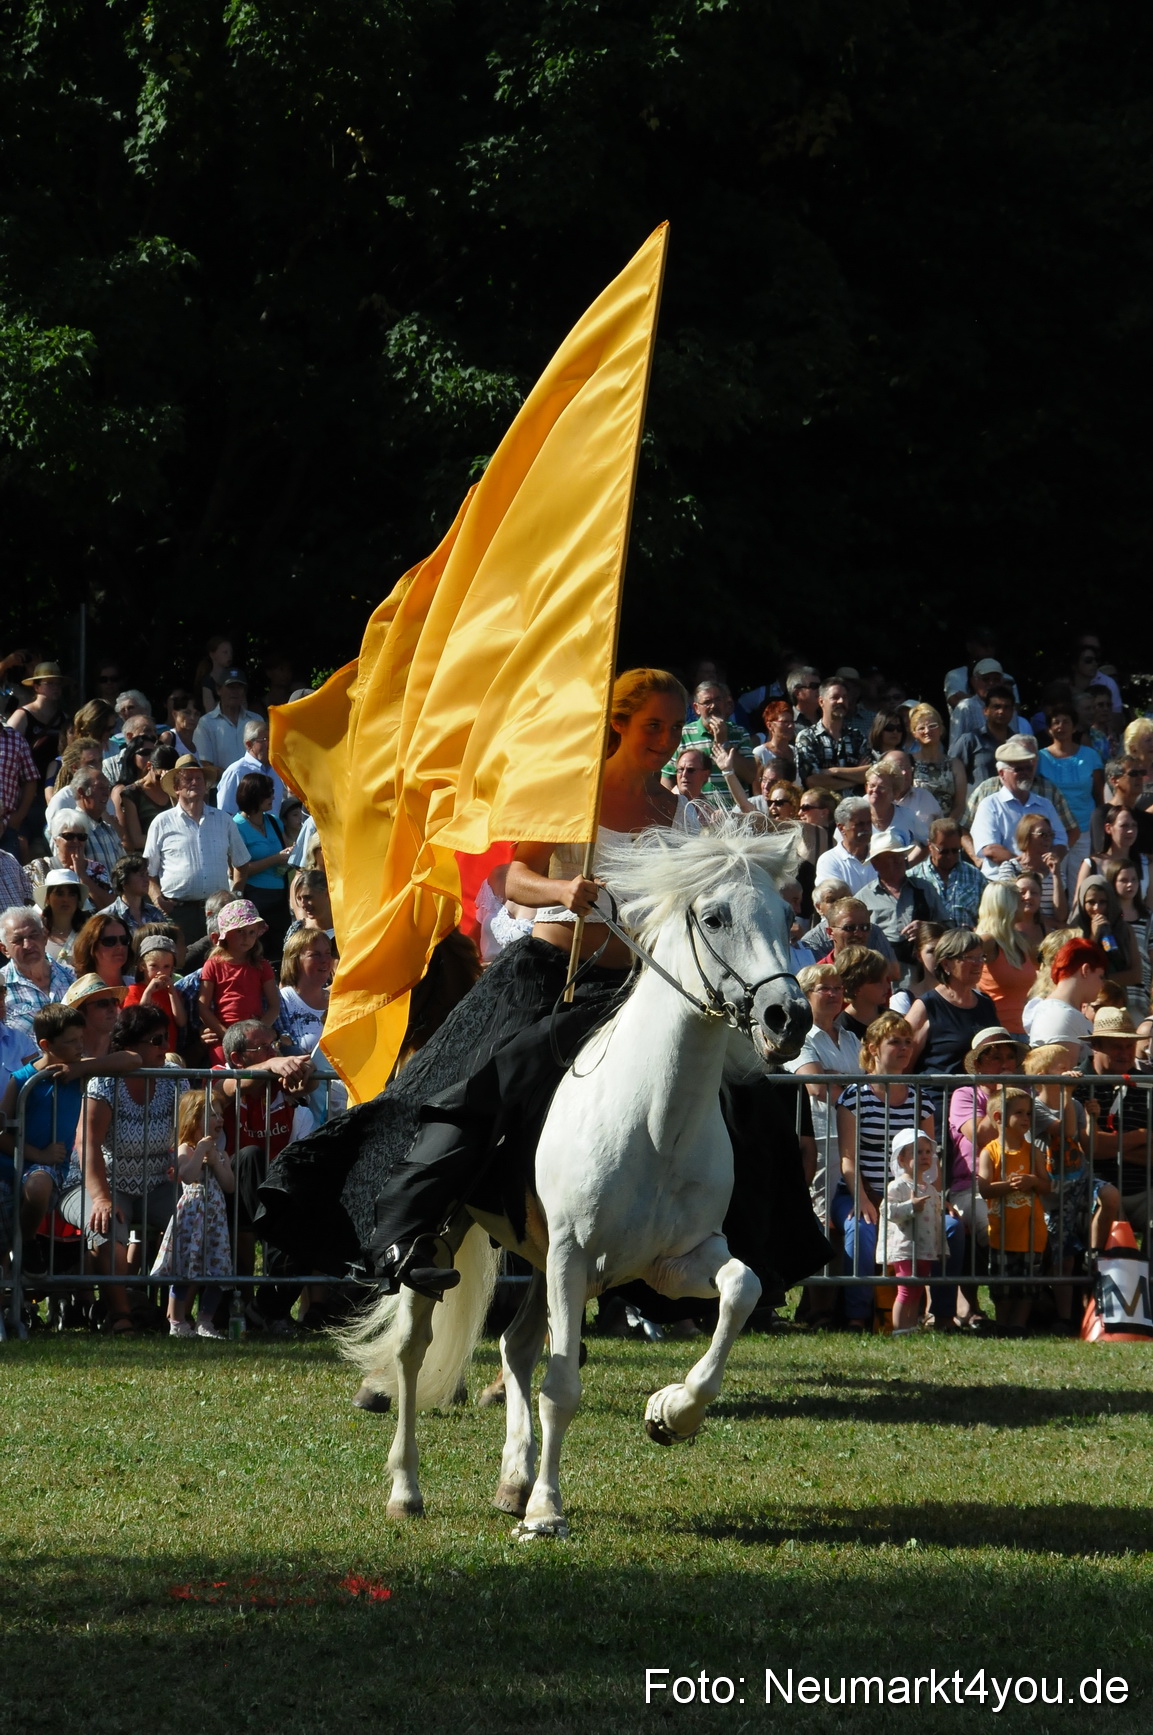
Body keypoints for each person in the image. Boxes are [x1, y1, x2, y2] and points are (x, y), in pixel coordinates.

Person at [258, 666, 829, 1305]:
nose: (665, 741)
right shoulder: (571, 796)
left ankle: (755, 1249)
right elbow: (511, 878)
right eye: (652, 726)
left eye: (672, 729)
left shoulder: (682, 812)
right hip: (547, 978)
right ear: (617, 725)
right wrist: (562, 890)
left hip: (637, 988)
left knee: (746, 1093)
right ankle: (409, 1233)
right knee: (478, 1088)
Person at [58, 1003, 183, 1334]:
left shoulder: (172, 1080)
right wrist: (100, 1198)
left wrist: (267, 1065)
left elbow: (216, 1094)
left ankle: (182, 1316)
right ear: (132, 1043)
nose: (164, 1047)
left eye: (166, 1038)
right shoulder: (104, 1083)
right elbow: (87, 1144)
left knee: (195, 1215)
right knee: (106, 1222)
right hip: (96, 1181)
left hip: (155, 1181)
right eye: (156, 1040)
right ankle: (121, 1315)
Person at [833, 1011, 935, 1330]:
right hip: (860, 1191)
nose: (905, 1048)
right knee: (860, 1232)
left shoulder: (920, 1098)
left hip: (910, 1194)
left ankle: (941, 1314)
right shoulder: (854, 1096)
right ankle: (858, 1316)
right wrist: (861, 1199)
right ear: (874, 1048)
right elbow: (848, 1158)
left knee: (949, 1228)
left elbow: (931, 1156)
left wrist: (935, 1197)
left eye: (908, 1042)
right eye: (895, 1042)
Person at [1023, 1041, 1118, 1329]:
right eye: (1062, 1068)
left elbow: (1087, 1145)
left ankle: (1093, 1254)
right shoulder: (1034, 1108)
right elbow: (1063, 1131)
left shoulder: (1073, 1103)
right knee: (1062, 1259)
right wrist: (1066, 1095)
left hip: (1080, 1180)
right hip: (1051, 1191)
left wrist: (1092, 1118)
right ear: (1042, 1075)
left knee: (1110, 1195)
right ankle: (1065, 1318)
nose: (1072, 1071)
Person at [787, 963, 861, 1306]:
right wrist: (840, 1081)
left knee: (844, 1217)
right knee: (821, 1219)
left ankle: (835, 1304)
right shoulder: (798, 1038)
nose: (834, 994)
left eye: (838, 988)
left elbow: (859, 1085)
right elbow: (816, 1086)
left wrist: (835, 1077)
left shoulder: (850, 1038)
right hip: (819, 1137)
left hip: (850, 1138)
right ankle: (815, 1305)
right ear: (805, 996)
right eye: (824, 989)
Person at [0, 1003, 87, 1261]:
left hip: (46, 1170)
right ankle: (11, 1294)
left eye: (81, 1039)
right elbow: (2, 1135)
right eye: (71, 1041)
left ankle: (27, 1243)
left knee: (38, 1187)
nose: (80, 1046)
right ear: (46, 1045)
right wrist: (38, 1153)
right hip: (11, 1164)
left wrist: (81, 1068)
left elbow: (132, 1059)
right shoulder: (21, 1079)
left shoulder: (78, 1070)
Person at [150, 1088, 235, 1338]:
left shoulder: (221, 1153)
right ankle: (176, 1321)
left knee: (218, 1270)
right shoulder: (186, 1149)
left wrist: (216, 1160)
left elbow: (229, 1184)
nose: (220, 1120)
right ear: (193, 1120)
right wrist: (200, 1152)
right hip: (192, 1218)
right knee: (184, 1270)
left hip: (215, 1220)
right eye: (213, 1115)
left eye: (220, 1115)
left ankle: (205, 1321)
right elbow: (186, 1175)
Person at [145, 755, 250, 943]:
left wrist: (236, 896)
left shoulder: (223, 820)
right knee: (180, 965)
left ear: (206, 785)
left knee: (219, 963)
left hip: (218, 911)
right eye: (188, 778)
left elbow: (242, 863)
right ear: (176, 787)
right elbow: (148, 873)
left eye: (199, 778)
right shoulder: (161, 823)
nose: (195, 782)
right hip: (178, 912)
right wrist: (159, 901)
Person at [979, 1087, 1050, 1335]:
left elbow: (1047, 1185)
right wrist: (1009, 1185)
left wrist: (1032, 1181)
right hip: (1001, 1232)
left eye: (1028, 1113)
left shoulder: (1034, 1151)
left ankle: (1019, 1324)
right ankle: (1002, 1323)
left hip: (1032, 1233)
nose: (1026, 1119)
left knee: (1027, 1284)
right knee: (1002, 1285)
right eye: (1019, 1113)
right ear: (999, 1118)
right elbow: (985, 1188)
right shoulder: (990, 1152)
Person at [1078, 1007, 1152, 1234]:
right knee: (1114, 1232)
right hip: (1094, 1191)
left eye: (1129, 1045)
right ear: (1096, 1046)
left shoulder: (1147, 1083)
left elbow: (1097, 1146)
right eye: (1116, 1046)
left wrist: (1105, 1145)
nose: (1125, 1052)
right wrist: (1142, 1136)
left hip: (1143, 1192)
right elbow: (1087, 1148)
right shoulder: (1076, 1084)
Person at [905, 928, 997, 1081]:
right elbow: (904, 1062)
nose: (978, 964)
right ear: (946, 964)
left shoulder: (986, 1004)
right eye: (969, 957)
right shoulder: (926, 1006)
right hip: (939, 1099)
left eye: (981, 957)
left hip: (980, 1100)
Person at [856, 830, 945, 988]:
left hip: (925, 977)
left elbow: (949, 927)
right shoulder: (863, 899)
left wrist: (926, 929)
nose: (899, 861)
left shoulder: (925, 889)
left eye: (901, 856)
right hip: (883, 979)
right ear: (876, 864)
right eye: (891, 857)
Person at [969, 740, 1069, 878]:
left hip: (1041, 881)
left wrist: (1047, 862)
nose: (1025, 773)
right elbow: (990, 849)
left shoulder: (1045, 805)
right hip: (1002, 883)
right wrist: (1025, 867)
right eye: (1018, 769)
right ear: (1002, 773)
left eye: (1028, 768)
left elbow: (1061, 841)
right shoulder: (990, 805)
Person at [881, 1129, 946, 1335]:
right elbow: (887, 1210)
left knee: (918, 1289)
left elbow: (936, 1219)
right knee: (907, 1288)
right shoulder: (898, 1186)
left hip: (925, 1248)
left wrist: (941, 1245)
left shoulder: (930, 1189)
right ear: (901, 1159)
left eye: (928, 1152)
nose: (925, 1156)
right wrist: (910, 1206)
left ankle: (910, 1326)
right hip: (906, 1247)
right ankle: (900, 1329)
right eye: (918, 1152)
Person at [197, 898, 279, 1063]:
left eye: (251, 932)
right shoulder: (213, 964)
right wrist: (225, 1035)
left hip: (256, 1035)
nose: (246, 938)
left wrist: (259, 1032)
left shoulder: (262, 965)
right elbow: (202, 1007)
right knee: (223, 1070)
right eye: (240, 931)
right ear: (225, 934)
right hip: (225, 1034)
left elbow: (274, 1006)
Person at [1037, 699, 1104, 891]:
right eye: (1055, 722)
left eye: (1066, 721)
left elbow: (1099, 796)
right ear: (1049, 729)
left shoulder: (1090, 755)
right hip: (1052, 831)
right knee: (1052, 880)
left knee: (1080, 883)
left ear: (1074, 727)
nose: (1061, 726)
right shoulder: (1040, 757)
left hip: (1084, 829)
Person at [660, 680, 756, 806]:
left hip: (733, 815)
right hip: (695, 815)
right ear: (696, 708)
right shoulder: (684, 734)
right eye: (707, 702)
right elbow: (667, 779)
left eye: (718, 700)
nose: (713, 706)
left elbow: (750, 776)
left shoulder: (739, 733)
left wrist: (724, 743)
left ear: (725, 703)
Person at [6, 661, 68, 843]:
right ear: (37, 686)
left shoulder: (64, 718)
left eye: (58, 683)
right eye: (50, 683)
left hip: (51, 790)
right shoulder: (22, 715)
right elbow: (7, 750)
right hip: (24, 790)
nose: (56, 688)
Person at [231, 772, 292, 959]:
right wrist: (275, 859)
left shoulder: (273, 821)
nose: (273, 797)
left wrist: (290, 855)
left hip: (279, 898)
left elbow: (284, 848)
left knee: (280, 951)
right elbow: (241, 868)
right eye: (268, 793)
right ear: (254, 795)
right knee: (257, 952)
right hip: (255, 898)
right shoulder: (236, 826)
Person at [0, 906, 75, 1033]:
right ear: (4, 949)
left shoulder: (72, 977)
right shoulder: (2, 988)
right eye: (18, 940)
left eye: (33, 936)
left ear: (45, 937)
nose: (28, 945)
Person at [975, 882, 1037, 1036]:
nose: (1025, 902)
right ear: (1006, 906)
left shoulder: (1022, 941)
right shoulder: (987, 941)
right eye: (1019, 900)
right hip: (997, 1033)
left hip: (1025, 1031)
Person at [1026, 936, 1107, 1051]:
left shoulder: (1063, 1012)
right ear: (1086, 970)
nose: (1102, 985)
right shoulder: (1059, 1015)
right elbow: (1061, 1068)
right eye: (1101, 977)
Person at [794, 679, 870, 793]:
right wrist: (856, 778)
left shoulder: (857, 737)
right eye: (835, 697)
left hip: (856, 807)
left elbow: (870, 773)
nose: (841, 701)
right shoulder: (807, 737)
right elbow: (813, 781)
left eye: (845, 697)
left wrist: (834, 771)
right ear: (821, 701)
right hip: (822, 808)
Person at [908, 817, 984, 930]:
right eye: (944, 851)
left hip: (966, 943)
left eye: (955, 851)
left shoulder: (975, 876)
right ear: (930, 846)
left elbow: (988, 917)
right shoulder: (913, 877)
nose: (950, 856)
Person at [1070, 876, 1141, 993]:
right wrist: (1093, 936)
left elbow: (1135, 975)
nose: (1097, 908)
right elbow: (1078, 971)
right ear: (1082, 903)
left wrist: (1102, 980)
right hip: (1085, 998)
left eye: (1102, 902)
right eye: (1091, 902)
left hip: (1115, 997)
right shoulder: (1074, 932)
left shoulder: (1124, 930)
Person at [123, 934, 187, 1053]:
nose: (160, 972)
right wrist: (148, 992)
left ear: (172, 968)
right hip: (143, 1054)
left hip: (168, 1052)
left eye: (166, 967)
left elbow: (181, 1021)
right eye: (154, 966)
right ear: (142, 966)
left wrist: (172, 993)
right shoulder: (133, 990)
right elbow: (136, 1022)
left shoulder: (172, 992)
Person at [1104, 859, 1151, 1020]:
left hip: (1138, 992)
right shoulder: (1107, 918)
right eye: (1123, 880)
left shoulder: (1148, 917)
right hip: (1111, 990)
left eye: (1134, 879)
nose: (1130, 884)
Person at [277, 927, 334, 1055]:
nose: (324, 960)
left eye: (328, 953)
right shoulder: (281, 1001)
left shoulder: (337, 1001)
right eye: (315, 955)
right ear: (295, 960)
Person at [216, 719, 289, 819]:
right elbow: (225, 814)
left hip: (273, 832)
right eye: (264, 740)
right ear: (249, 744)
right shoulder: (237, 771)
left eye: (272, 739)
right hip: (243, 833)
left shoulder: (276, 770)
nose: (269, 744)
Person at [193, 668, 264, 770]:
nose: (235, 691)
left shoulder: (256, 720)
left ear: (244, 691)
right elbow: (205, 764)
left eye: (239, 687)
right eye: (230, 687)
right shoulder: (206, 723)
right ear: (218, 690)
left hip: (255, 784)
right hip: (221, 785)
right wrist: (234, 777)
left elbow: (265, 757)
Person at [112, 742, 176, 852]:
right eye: (158, 777)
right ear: (149, 766)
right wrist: (172, 840)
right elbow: (137, 840)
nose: (161, 783)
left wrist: (171, 789)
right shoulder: (132, 793)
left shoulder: (174, 790)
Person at [908, 703, 967, 822]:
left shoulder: (955, 764)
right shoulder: (909, 762)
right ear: (914, 733)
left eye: (932, 726)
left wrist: (946, 826)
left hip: (947, 827)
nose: (927, 731)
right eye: (921, 728)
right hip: (915, 825)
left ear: (941, 729)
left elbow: (959, 804)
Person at [1009, 812, 1068, 929]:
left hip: (1049, 935)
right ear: (1026, 835)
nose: (1048, 839)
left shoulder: (1056, 870)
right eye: (1043, 834)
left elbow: (1061, 916)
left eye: (1051, 835)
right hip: (1020, 932)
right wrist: (1052, 924)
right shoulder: (1011, 868)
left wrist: (1056, 875)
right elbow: (1010, 908)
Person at [1076, 804, 1147, 898]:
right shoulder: (1092, 864)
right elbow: (1078, 905)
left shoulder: (1145, 864)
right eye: (1124, 826)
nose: (1130, 831)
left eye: (1134, 825)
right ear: (1108, 828)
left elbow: (1149, 907)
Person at [813, 798, 876, 894]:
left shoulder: (881, 853)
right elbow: (834, 900)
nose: (867, 828)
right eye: (860, 824)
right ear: (841, 828)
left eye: (869, 823)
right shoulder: (829, 861)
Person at [888, 920, 947, 1017]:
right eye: (932, 951)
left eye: (944, 950)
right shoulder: (903, 999)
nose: (939, 957)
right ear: (919, 955)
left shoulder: (968, 996)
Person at [833, 944, 892, 1039]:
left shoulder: (893, 1020)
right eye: (879, 982)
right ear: (857, 987)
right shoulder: (842, 1030)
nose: (888, 986)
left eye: (886, 979)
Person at [0, 719, 38, 859]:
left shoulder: (15, 739)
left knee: (10, 877)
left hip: (7, 827)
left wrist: (19, 816)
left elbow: (30, 780)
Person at [71, 911, 135, 992]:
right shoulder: (79, 993)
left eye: (124, 940)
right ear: (92, 946)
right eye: (110, 941)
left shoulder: (139, 986)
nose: (120, 946)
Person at [105, 854, 166, 934]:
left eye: (147, 875)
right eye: (141, 875)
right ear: (123, 878)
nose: (147, 879)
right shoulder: (107, 917)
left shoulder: (155, 913)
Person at [38, 868, 86, 963]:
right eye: (59, 894)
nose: (65, 899)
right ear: (47, 898)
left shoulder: (89, 931)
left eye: (71, 894)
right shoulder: (36, 932)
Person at [194, 635, 235, 719]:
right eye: (225, 652)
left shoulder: (235, 678)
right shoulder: (207, 681)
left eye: (231, 652)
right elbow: (210, 711)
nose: (229, 655)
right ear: (213, 655)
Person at [1013, 872, 1049, 952]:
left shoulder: (1047, 933)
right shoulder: (1005, 931)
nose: (1028, 896)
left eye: (1034, 893)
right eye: (1022, 892)